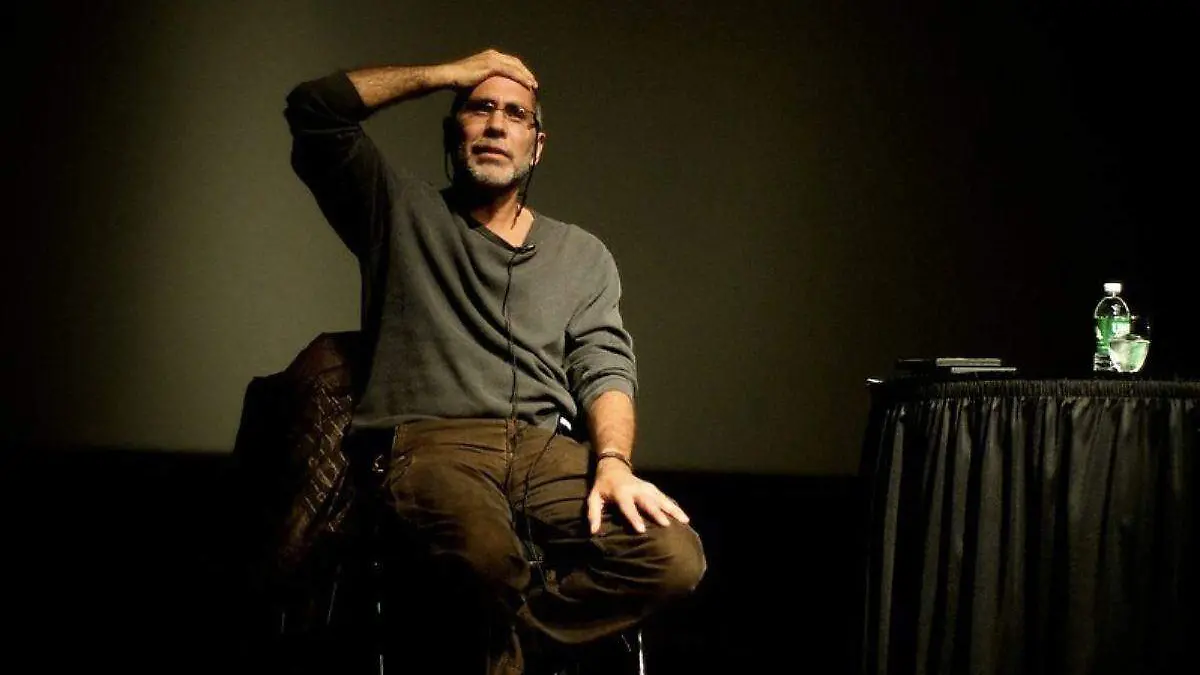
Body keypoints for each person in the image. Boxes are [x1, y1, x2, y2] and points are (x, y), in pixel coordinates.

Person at [284, 49, 706, 674]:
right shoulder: (397, 212)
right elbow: (314, 110)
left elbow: (605, 365)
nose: (495, 124)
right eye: (479, 108)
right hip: (433, 444)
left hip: (544, 449)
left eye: (515, 114)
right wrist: (445, 74)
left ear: (537, 146)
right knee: (488, 560)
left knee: (672, 557)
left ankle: (511, 644)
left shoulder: (581, 254)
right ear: (453, 130)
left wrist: (614, 463)